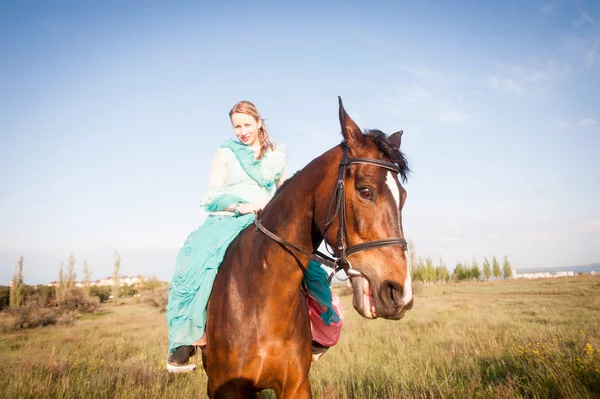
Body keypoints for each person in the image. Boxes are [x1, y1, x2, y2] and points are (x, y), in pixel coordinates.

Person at [166, 101, 343, 373]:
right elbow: (211, 196)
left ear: (259, 122)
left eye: (247, 124)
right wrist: (242, 206)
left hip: (270, 219)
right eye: (237, 126)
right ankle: (185, 341)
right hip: (232, 217)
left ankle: (319, 334)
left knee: (311, 268)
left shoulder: (276, 156)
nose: (242, 131)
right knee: (196, 258)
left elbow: (287, 193)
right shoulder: (226, 154)